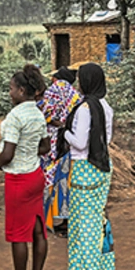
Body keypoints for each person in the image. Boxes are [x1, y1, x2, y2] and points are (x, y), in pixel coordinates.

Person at [0, 65, 50, 270]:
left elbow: (7, 154)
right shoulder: (37, 112)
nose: (9, 93)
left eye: (11, 89)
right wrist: (28, 151)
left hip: (18, 179)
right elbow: (45, 147)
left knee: (18, 234)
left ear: (21, 90)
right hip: (36, 175)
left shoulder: (15, 116)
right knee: (38, 230)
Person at [59, 63, 115, 270]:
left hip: (83, 167)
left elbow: (80, 143)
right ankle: (100, 268)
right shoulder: (106, 106)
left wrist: (65, 132)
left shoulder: (84, 109)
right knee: (98, 217)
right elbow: (107, 140)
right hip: (102, 166)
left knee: (83, 223)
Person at [39, 67, 80, 236]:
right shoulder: (76, 95)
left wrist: (52, 121)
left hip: (50, 141)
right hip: (67, 141)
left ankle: (45, 219)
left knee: (47, 178)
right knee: (65, 182)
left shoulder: (52, 91)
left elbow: (43, 111)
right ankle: (65, 222)